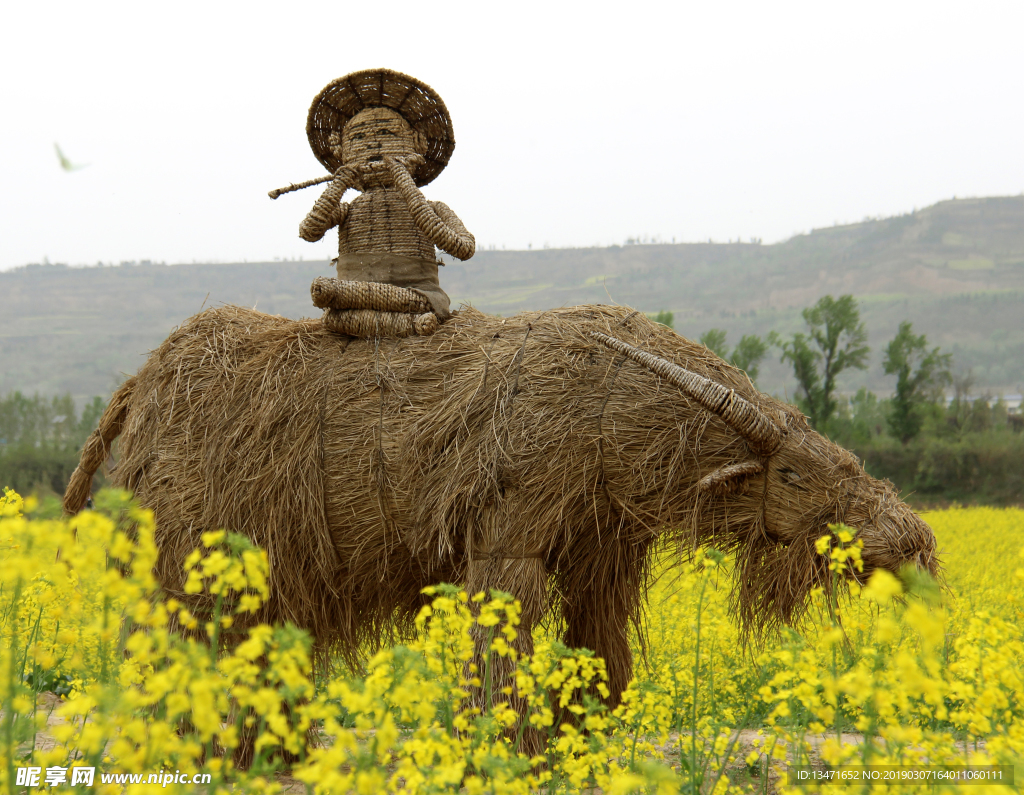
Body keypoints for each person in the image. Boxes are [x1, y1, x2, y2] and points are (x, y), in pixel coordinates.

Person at [298, 69, 475, 323]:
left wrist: (405, 182)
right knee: (331, 302)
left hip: (415, 295)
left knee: (412, 302)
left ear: (416, 143)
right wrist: (339, 184)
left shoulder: (434, 208)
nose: (373, 144)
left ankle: (410, 321)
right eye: (359, 137)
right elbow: (309, 231)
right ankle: (411, 326)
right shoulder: (348, 210)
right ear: (343, 150)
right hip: (353, 299)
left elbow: (464, 248)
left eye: (386, 134)